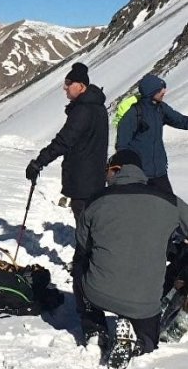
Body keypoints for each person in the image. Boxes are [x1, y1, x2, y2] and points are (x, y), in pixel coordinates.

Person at [74, 149, 188, 363]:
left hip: (98, 293)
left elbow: (82, 245)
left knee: (79, 263)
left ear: (117, 170)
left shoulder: (96, 200)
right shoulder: (169, 201)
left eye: (107, 171)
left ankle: (95, 329)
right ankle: (140, 342)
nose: (105, 176)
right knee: (150, 341)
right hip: (145, 302)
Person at [25, 62, 108, 222]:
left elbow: (64, 140)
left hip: (83, 181)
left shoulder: (83, 110)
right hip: (94, 178)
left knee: (84, 226)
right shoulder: (97, 107)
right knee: (92, 224)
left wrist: (39, 163)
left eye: (69, 83)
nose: (65, 87)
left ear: (81, 86)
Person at [115, 73, 188, 194]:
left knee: (169, 203)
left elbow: (181, 121)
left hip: (160, 172)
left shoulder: (161, 108)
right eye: (160, 89)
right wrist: (128, 169)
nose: (164, 91)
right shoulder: (134, 113)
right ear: (151, 92)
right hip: (139, 175)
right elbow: (122, 145)